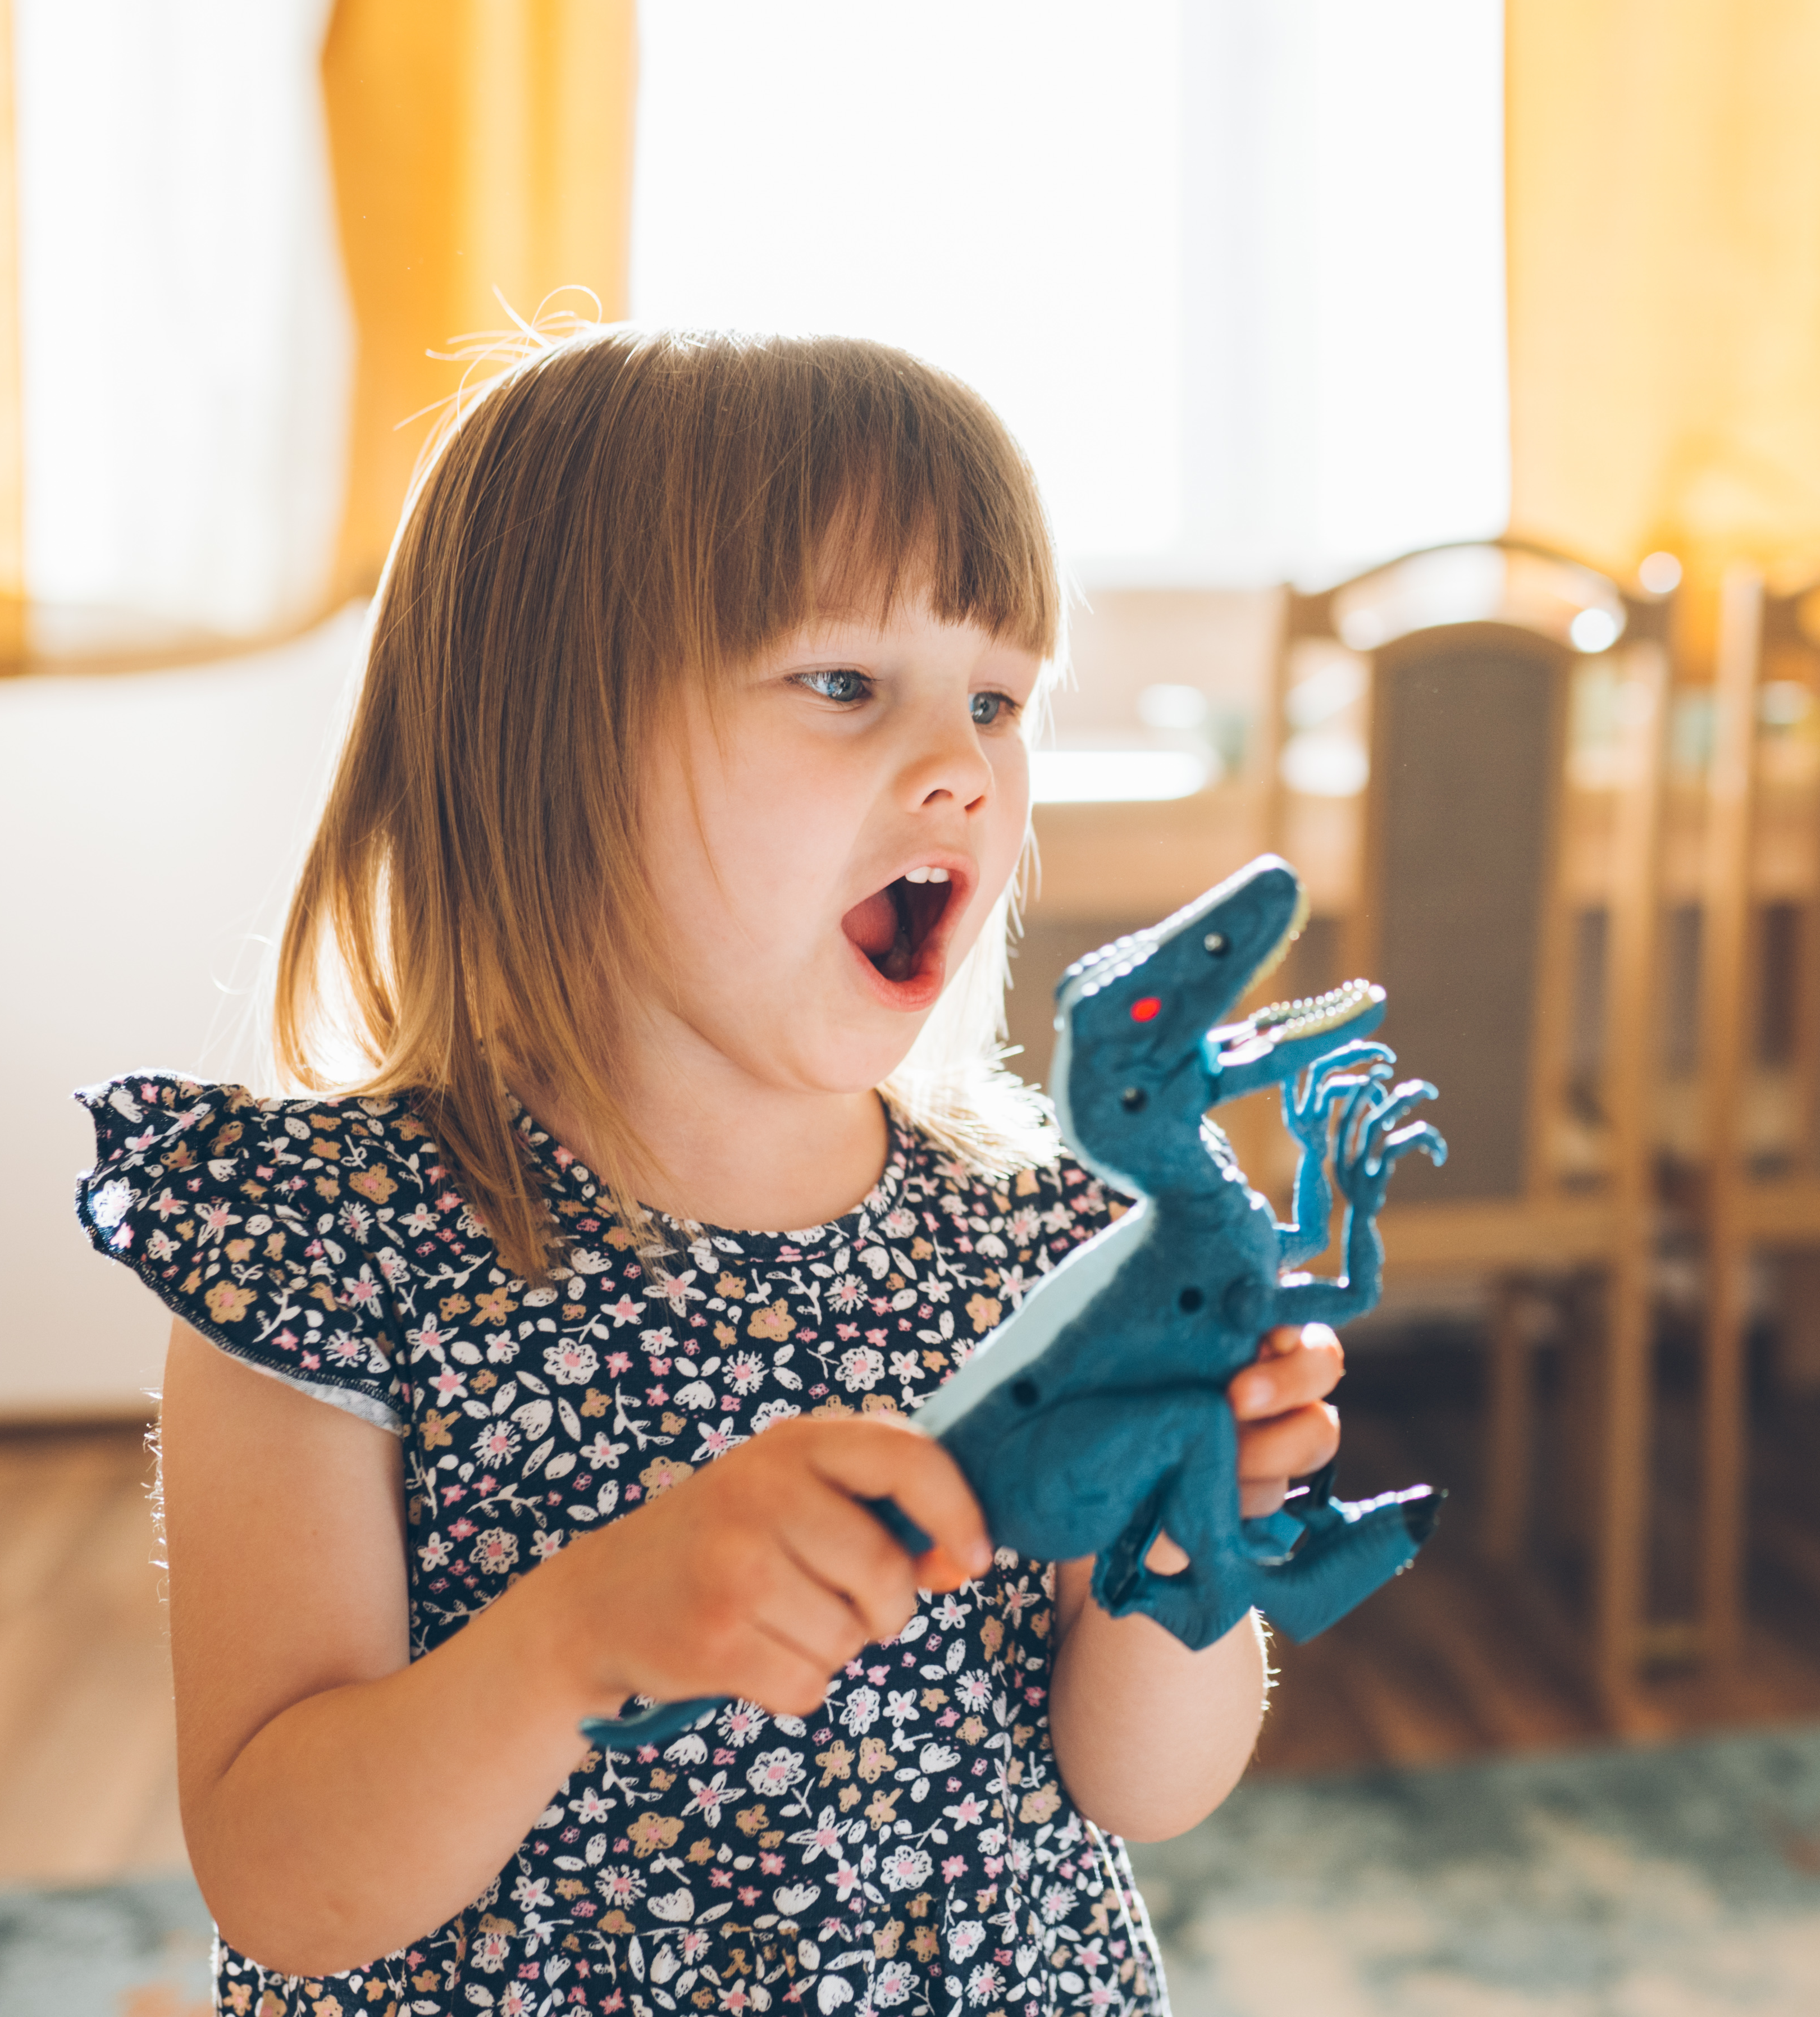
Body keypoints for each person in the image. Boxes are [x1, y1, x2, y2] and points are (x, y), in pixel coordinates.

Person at [79, 327, 1337, 2014]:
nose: (966, 765)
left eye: (997, 699)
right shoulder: (328, 1252)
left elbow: (1146, 1787)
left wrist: (1190, 1536)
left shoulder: (1048, 1236)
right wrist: (574, 1638)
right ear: (551, 735)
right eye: (842, 684)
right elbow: (287, 1885)